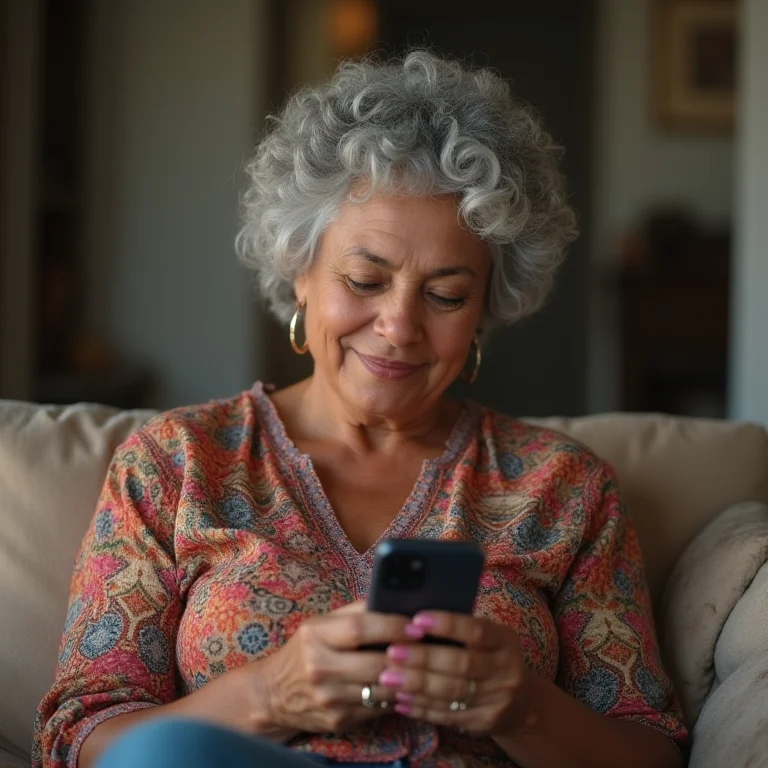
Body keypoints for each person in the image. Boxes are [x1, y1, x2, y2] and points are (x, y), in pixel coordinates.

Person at [33, 51, 687, 768]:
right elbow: (80, 739)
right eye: (366, 279)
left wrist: (523, 706)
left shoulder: (562, 489)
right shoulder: (176, 464)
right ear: (300, 271)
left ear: (485, 312)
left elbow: (651, 751)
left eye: (445, 295)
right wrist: (270, 697)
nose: (400, 326)